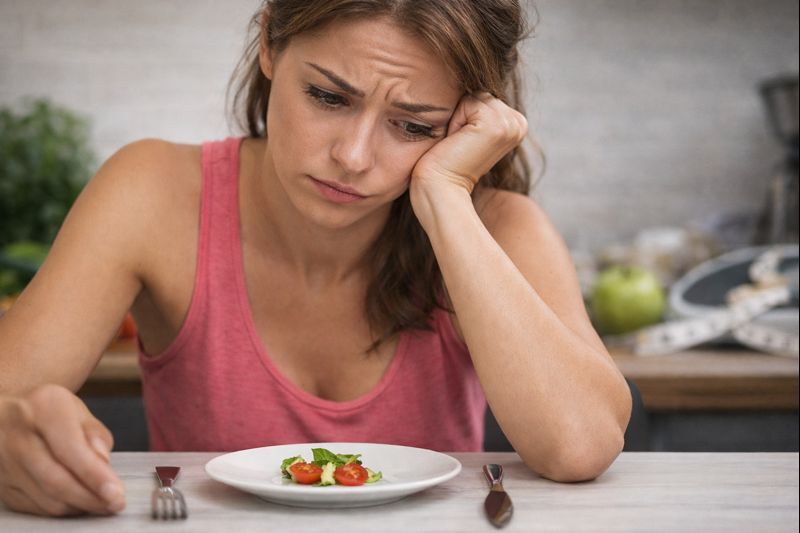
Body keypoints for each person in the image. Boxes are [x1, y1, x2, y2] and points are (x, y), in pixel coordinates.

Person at [0, 0, 632, 518]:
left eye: (413, 127)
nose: (354, 157)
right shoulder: (151, 192)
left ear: (465, 125)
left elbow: (579, 446)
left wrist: (443, 198)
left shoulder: (495, 227)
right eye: (330, 97)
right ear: (271, 41)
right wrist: (17, 432)